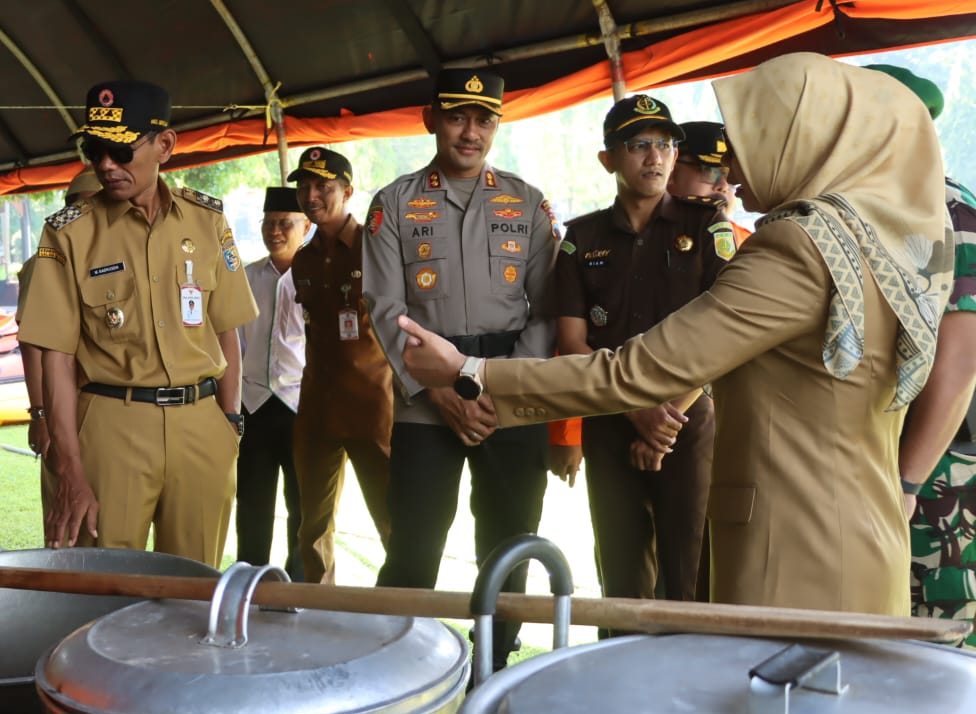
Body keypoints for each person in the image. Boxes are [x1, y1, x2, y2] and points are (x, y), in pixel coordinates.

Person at [394, 53, 950, 617]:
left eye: (752, 140)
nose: (727, 167)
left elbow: (639, 371)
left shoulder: (796, 248)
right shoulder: (876, 239)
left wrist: (468, 372)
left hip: (799, 553)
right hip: (860, 537)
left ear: (806, 141)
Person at [362, 70, 558, 669]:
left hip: (509, 395)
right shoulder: (394, 203)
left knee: (510, 545)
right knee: (414, 545)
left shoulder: (527, 202)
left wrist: (499, 387)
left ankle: (493, 669)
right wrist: (438, 390)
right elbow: (386, 308)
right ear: (431, 119)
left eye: (484, 120)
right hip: (427, 399)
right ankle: (396, 673)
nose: (471, 132)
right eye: (457, 117)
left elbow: (549, 307)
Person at [18, 80, 256, 567]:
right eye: (94, 150)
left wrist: (229, 423)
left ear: (164, 145)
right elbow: (56, 357)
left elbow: (227, 329)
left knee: (196, 584)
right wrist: (69, 466)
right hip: (111, 425)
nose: (106, 164)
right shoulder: (69, 234)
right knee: (101, 585)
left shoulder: (207, 222)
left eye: (121, 150)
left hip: (201, 423)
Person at [555, 95, 733, 607]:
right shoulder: (581, 238)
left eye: (665, 145)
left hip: (688, 421)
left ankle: (690, 663)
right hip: (610, 421)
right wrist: (637, 412)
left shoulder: (706, 227)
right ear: (608, 159)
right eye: (638, 146)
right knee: (621, 579)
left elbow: (724, 334)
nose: (654, 157)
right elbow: (571, 344)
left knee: (690, 575)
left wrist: (665, 420)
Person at [869, 64, 976, 645]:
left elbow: (960, 361)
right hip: (890, 464)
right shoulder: (880, 208)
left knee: (943, 647)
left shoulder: (948, 210)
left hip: (940, 478)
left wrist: (908, 482)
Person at [284, 149, 394, 583]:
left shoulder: (377, 248)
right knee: (312, 528)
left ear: (347, 192)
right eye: (304, 186)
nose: (311, 195)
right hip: (316, 409)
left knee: (392, 523)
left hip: (373, 406)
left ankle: (404, 609)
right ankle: (319, 609)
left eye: (323, 187)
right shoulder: (303, 259)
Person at [234, 185, 311, 579]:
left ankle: (298, 588)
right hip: (253, 405)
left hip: (302, 406)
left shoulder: (317, 278)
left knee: (304, 507)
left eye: (285, 223)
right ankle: (249, 582)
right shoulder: (246, 278)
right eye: (269, 223)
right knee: (251, 503)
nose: (275, 231)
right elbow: (234, 344)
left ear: (306, 226)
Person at [18, 169, 101, 511]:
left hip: (112, 408)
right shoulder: (45, 263)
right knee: (67, 507)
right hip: (65, 405)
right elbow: (32, 345)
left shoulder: (121, 257)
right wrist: (40, 415)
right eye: (81, 207)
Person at [668, 121, 753, 245]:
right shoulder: (642, 230)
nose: (724, 186)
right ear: (670, 170)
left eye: (732, 176)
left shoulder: (747, 244)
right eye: (710, 172)